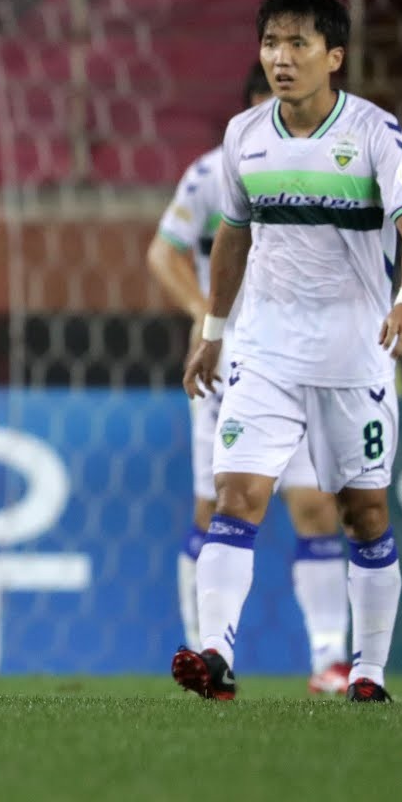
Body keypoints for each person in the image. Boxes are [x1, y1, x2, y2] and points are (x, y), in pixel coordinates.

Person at [177, 0, 402, 703]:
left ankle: (368, 672)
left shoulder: (377, 134)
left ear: (335, 56)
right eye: (270, 44)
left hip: (356, 353)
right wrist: (214, 333)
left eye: (298, 44)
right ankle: (215, 658)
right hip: (265, 350)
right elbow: (233, 237)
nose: (281, 59)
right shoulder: (244, 136)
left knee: (365, 514)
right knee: (238, 494)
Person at [147, 63, 352, 694]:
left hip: (308, 354)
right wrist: (205, 318)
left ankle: (329, 662)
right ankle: (209, 657)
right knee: (216, 509)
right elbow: (163, 252)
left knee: (316, 502)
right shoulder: (214, 173)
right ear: (252, 107)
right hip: (232, 359)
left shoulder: (338, 168)